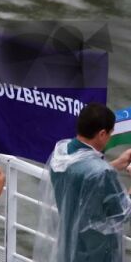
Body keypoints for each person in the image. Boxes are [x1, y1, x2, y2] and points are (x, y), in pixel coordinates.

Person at [34, 103, 131, 262]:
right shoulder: (102, 173)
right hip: (97, 253)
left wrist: (117, 164)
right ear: (102, 134)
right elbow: (123, 212)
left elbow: (82, 176)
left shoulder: (61, 151)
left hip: (68, 246)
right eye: (110, 134)